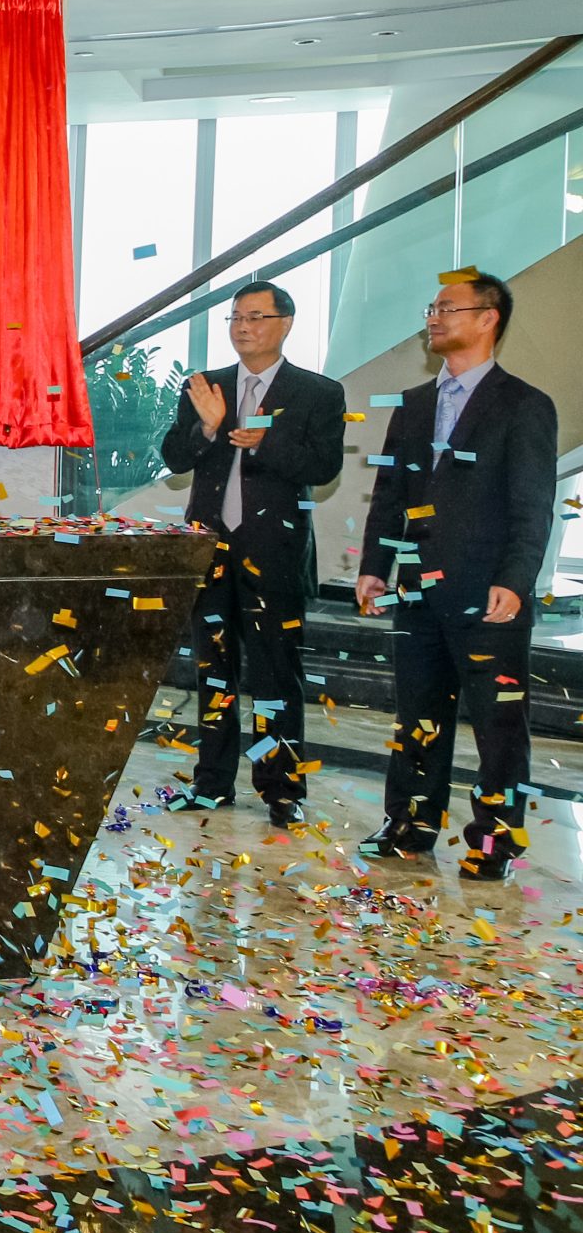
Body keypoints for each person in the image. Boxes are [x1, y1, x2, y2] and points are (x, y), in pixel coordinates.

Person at [357, 273, 559, 878]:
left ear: (488, 317)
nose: (434, 317)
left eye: (448, 308)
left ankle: (494, 842)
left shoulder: (524, 404)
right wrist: (374, 567)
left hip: (488, 591)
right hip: (417, 588)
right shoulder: (413, 404)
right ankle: (409, 825)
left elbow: (533, 505)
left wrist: (516, 580)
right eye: (432, 307)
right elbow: (390, 494)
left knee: (499, 725)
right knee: (418, 713)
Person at [157, 280, 347, 824]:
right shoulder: (205, 386)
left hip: (276, 556)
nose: (243, 327)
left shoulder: (318, 392)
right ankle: (211, 782)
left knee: (275, 676)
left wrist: (264, 441)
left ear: (285, 323)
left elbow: (323, 467)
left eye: (256, 317)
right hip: (211, 552)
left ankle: (282, 789)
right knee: (213, 672)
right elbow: (174, 457)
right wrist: (207, 427)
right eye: (236, 317)